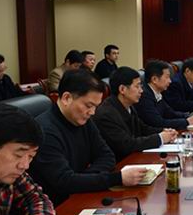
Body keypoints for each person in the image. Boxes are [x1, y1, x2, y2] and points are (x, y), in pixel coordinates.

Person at [30, 70, 147, 207]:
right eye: (88, 105)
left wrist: (82, 179)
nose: (92, 112)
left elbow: (107, 156)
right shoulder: (44, 131)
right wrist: (117, 178)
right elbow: (64, 182)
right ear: (67, 98)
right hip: (57, 207)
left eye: (96, 107)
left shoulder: (83, 120)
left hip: (82, 195)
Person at [92, 67, 177, 161]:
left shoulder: (128, 105)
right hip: (119, 163)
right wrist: (160, 138)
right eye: (137, 86)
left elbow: (143, 128)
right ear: (122, 89)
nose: (141, 90)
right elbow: (126, 145)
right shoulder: (106, 114)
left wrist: (164, 131)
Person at [136, 60, 193, 130]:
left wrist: (189, 116)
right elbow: (158, 123)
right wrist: (186, 122)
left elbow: (169, 113)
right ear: (154, 79)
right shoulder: (144, 96)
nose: (170, 81)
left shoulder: (157, 92)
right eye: (167, 77)